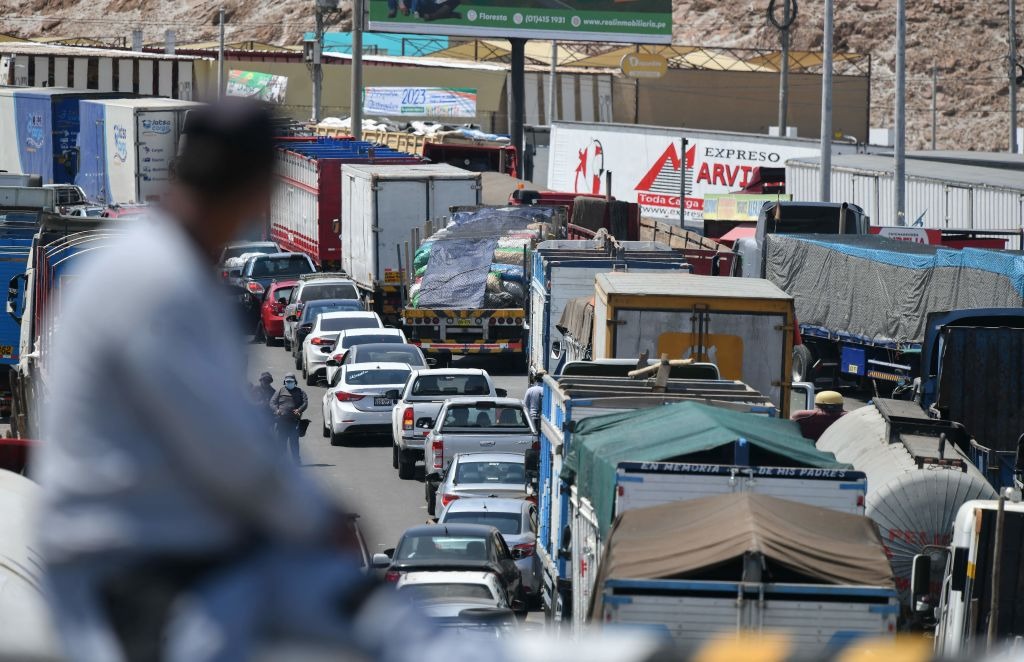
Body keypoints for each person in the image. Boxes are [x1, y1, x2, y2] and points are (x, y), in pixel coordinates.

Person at [35, 99, 483, 662]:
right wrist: (321, 522)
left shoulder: (149, 263)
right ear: (256, 189)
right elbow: (227, 449)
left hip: (161, 545)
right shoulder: (159, 281)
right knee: (360, 616)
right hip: (135, 562)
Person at [270, 372, 308, 463]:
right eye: (287, 381)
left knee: (294, 443)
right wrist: (277, 410)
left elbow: (305, 403)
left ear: (295, 382)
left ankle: (296, 460)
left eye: (291, 381)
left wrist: (299, 410)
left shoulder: (300, 392)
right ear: (284, 382)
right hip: (282, 422)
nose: (289, 383)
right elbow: (272, 402)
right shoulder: (280, 391)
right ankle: (282, 462)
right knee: (281, 442)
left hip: (294, 422)